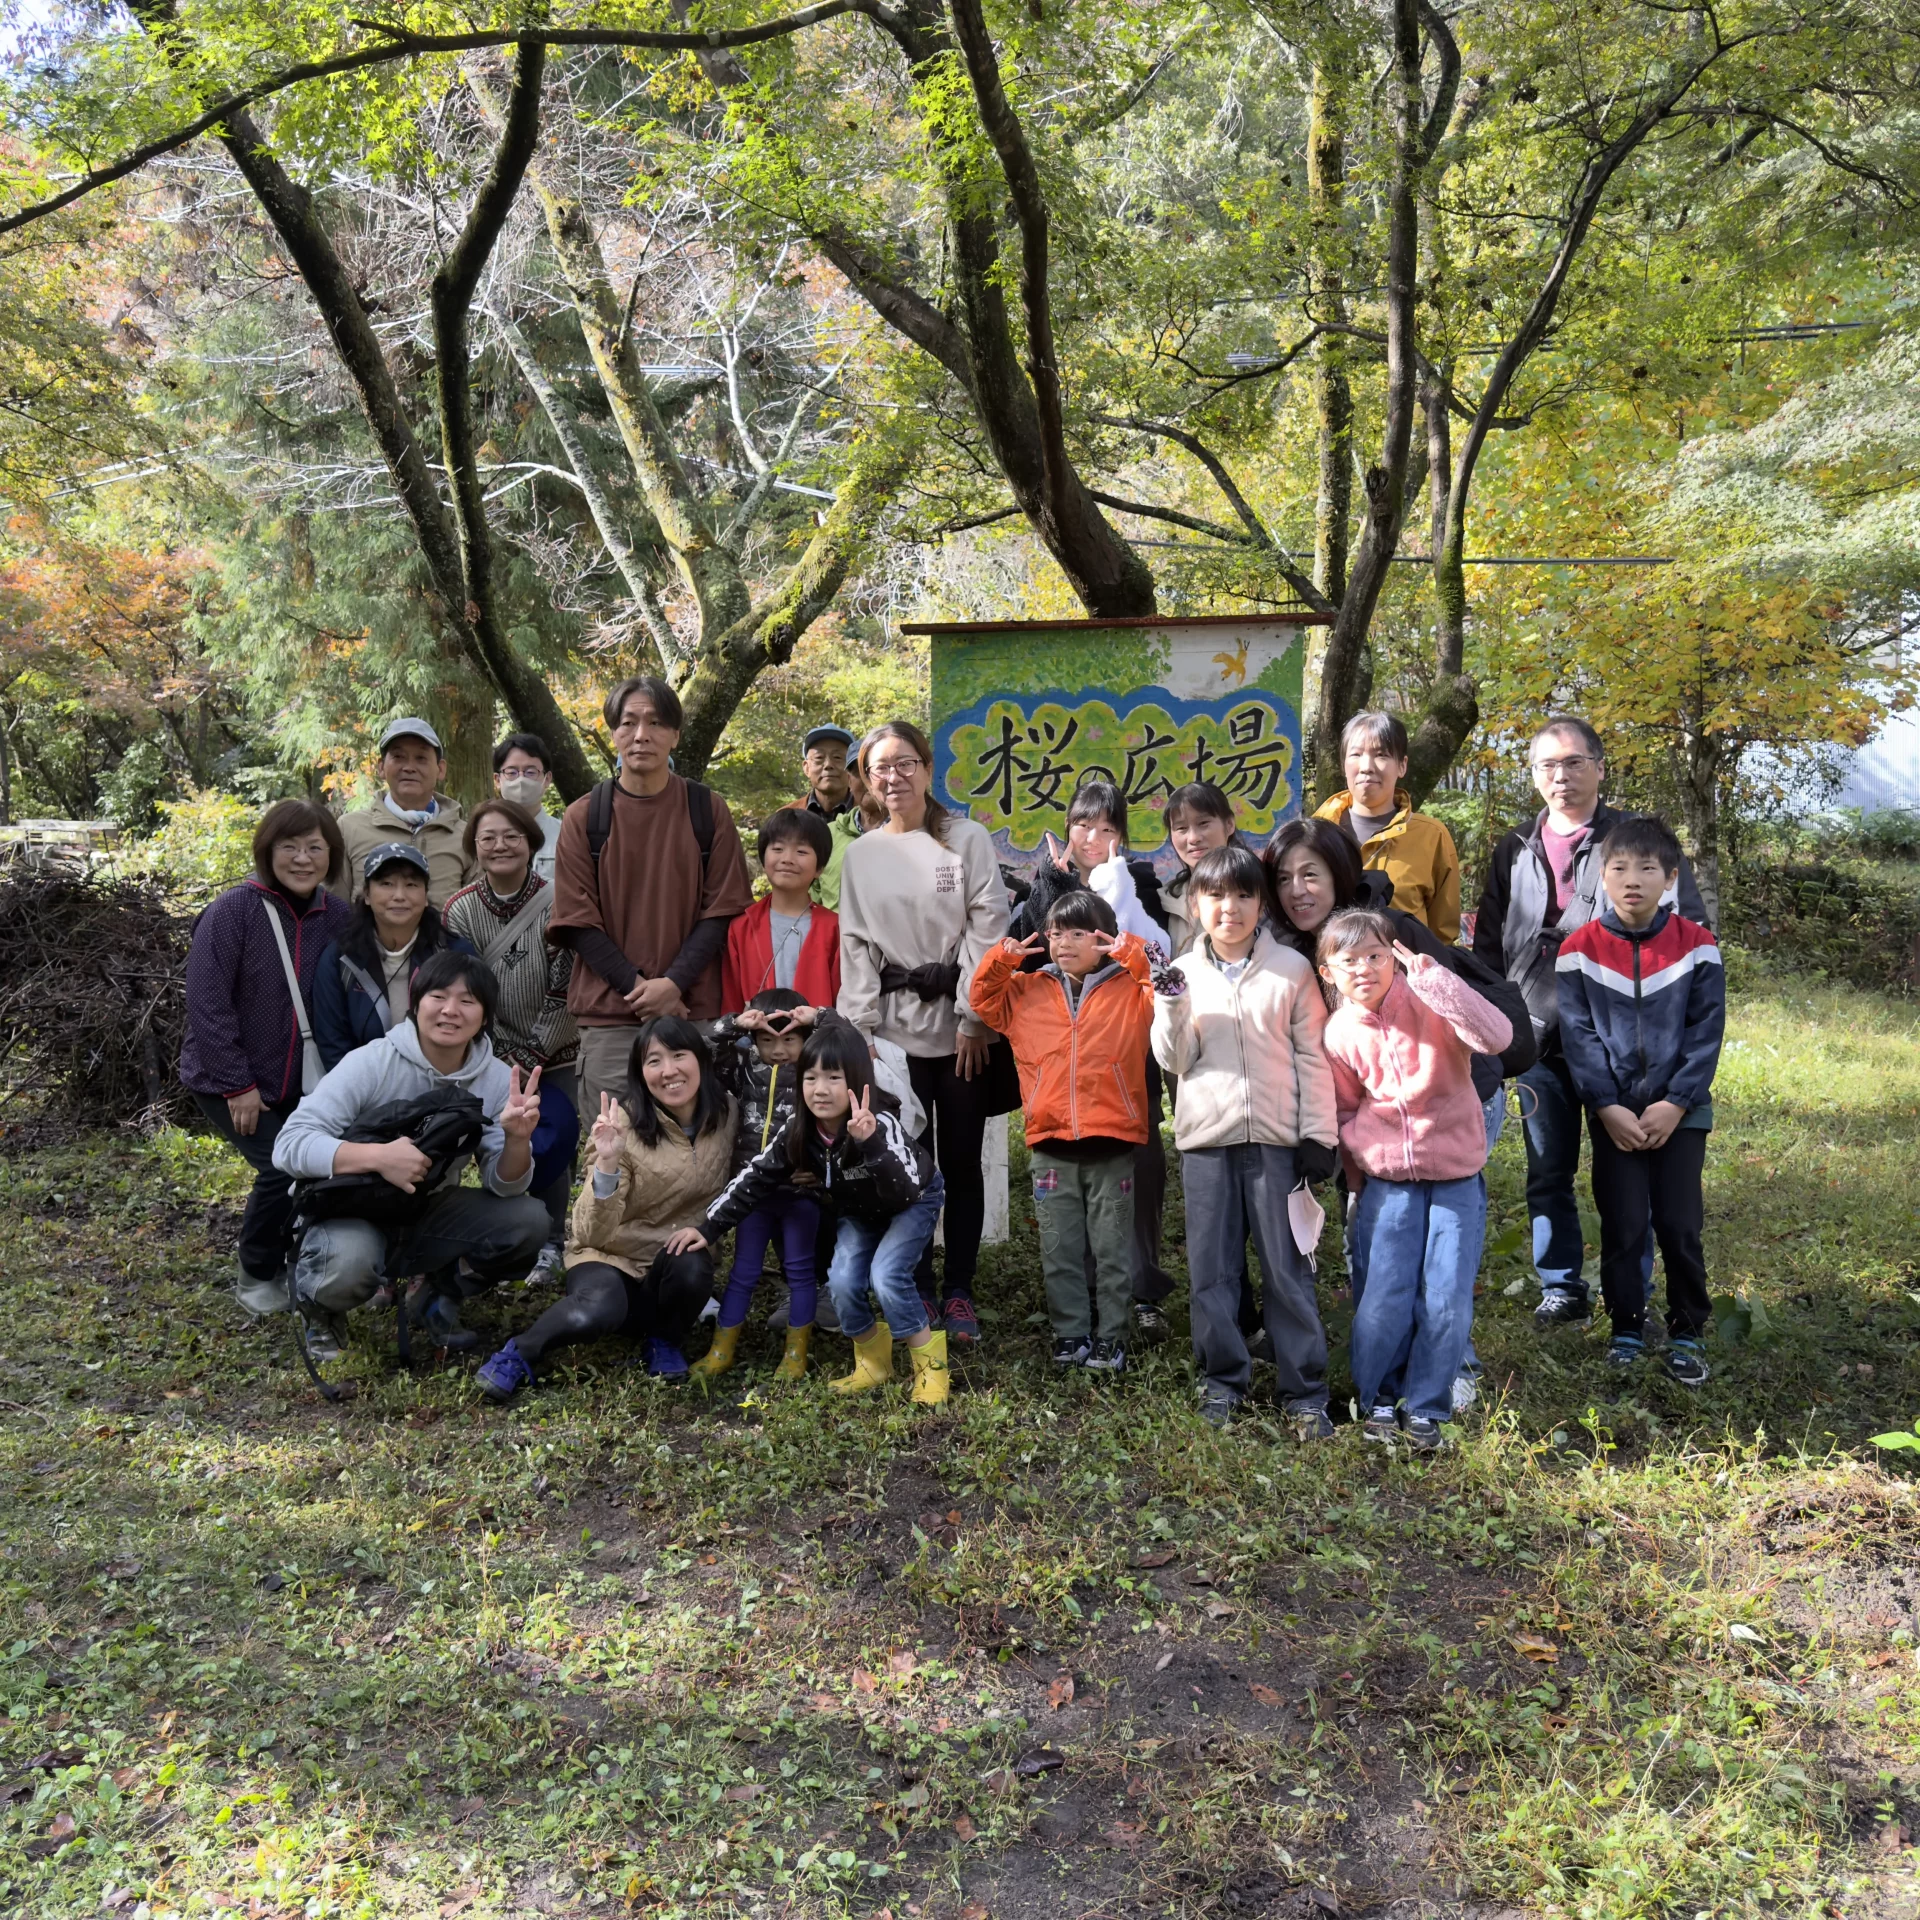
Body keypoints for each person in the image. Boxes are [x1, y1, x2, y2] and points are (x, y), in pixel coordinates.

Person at [1473, 715, 1708, 1329]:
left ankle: (1631, 1291)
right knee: (1547, 1167)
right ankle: (1561, 1284)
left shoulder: (1632, 842)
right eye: (1547, 766)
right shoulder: (1513, 847)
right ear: (1532, 776)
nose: (1561, 776)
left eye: (1574, 762)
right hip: (1537, 1040)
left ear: (1600, 768)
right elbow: (1490, 950)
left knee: (1631, 1170)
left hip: (1620, 1042)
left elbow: (1686, 935)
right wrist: (1499, 1030)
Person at [271, 950, 550, 1360]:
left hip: (426, 1208)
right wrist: (379, 1157)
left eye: (468, 1001)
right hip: (352, 1208)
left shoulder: (493, 1078)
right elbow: (290, 1144)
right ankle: (322, 1309)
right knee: (345, 1264)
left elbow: (504, 1186)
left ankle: (438, 1294)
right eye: (438, 997)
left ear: (485, 1017)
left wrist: (516, 1141)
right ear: (415, 1003)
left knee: (528, 1221)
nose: (450, 1011)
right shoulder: (372, 1062)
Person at [1150, 844, 1340, 1434]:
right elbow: (1174, 1059)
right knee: (1213, 1269)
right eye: (1214, 895)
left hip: (1279, 1144)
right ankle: (1222, 1382)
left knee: (1286, 1267)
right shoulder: (1182, 972)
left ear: (1261, 902)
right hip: (1207, 1142)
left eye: (1243, 894)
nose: (1228, 907)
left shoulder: (1291, 969)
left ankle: (1305, 1390)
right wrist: (1171, 1004)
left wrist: (1319, 1134)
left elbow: (1313, 1055)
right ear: (1195, 902)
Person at [836, 719, 1009, 1345]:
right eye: (880, 766)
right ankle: (919, 1285)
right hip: (894, 1038)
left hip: (962, 1035)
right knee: (906, 1163)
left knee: (961, 1161)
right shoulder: (861, 854)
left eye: (904, 762)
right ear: (867, 778)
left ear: (928, 769)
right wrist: (860, 1037)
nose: (894, 776)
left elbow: (987, 928)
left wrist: (973, 1015)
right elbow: (855, 946)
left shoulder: (967, 839)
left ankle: (959, 1289)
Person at [668, 1022, 951, 1404]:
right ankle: (873, 1362)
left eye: (834, 1077)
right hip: (859, 1209)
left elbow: (903, 1187)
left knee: (886, 1275)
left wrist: (870, 1146)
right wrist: (709, 1227)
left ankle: (931, 1370)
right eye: (811, 1077)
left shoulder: (881, 1123)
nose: (820, 1089)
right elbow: (755, 1177)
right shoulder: (799, 1129)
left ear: (857, 1081)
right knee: (842, 1281)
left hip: (912, 1201)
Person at [1317, 910, 1513, 1450]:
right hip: (1387, 1183)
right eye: (1349, 960)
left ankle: (1428, 1405)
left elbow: (1497, 1036)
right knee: (1382, 1296)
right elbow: (1340, 1111)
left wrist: (1438, 980)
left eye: (1376, 955)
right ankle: (1379, 1398)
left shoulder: (1431, 999)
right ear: (1328, 972)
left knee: (1446, 1295)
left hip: (1455, 1175)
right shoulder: (1338, 1033)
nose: (1365, 969)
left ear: (1394, 957)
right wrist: (1357, 1180)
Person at [474, 1017, 740, 1400]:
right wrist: (608, 1164)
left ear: (700, 1059)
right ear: (640, 1073)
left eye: (679, 1055)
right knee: (594, 1311)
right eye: (653, 1061)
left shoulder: (727, 1114)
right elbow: (589, 1234)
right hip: (609, 1257)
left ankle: (663, 1340)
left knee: (692, 1260)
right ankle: (520, 1352)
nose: (669, 1071)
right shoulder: (621, 1126)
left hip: (671, 1264)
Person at [1555, 815, 1725, 1387]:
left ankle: (1686, 1332)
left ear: (1670, 877)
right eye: (1620, 868)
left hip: (1683, 1112)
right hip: (1615, 1115)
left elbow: (1706, 1032)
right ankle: (1626, 1328)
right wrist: (1606, 1106)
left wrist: (1677, 1102)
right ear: (1602, 876)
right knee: (1624, 1223)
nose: (1633, 880)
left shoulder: (1697, 947)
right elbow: (1578, 1037)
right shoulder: (1578, 950)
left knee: (1679, 1224)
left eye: (1647, 869)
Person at [1004, 779, 1174, 1330]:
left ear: (1122, 834)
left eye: (1106, 827)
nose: (1093, 836)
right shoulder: (1046, 881)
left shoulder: (1141, 882)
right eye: (1083, 823)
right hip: (1064, 1065)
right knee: (1071, 1185)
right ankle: (1079, 1299)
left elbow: (1157, 959)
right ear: (1068, 826)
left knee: (1138, 1171)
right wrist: (1049, 884)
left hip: (1127, 1054)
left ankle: (1141, 1291)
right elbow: (1025, 953)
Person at [549, 675, 754, 1121]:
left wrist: (674, 984)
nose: (642, 735)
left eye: (657, 723)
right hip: (611, 1018)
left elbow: (723, 910)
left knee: (703, 1150)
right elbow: (578, 920)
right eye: (629, 722)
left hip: (694, 1011)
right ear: (613, 731)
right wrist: (643, 991)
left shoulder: (707, 810)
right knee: (614, 1153)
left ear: (675, 734)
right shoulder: (585, 816)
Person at [180, 799, 353, 1318]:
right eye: (289, 847)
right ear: (267, 851)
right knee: (282, 1165)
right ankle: (257, 1274)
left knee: (318, 1169)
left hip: (308, 1079)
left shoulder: (338, 916)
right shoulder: (233, 910)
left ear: (331, 855)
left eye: (315, 848)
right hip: (226, 1078)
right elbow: (207, 1004)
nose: (303, 858)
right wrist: (237, 1084)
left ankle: (306, 1258)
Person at [972, 893, 1157, 1374]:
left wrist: (1129, 951)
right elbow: (980, 1000)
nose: (1063, 943)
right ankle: (1070, 1332)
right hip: (1050, 1140)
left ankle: (1111, 1336)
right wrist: (1003, 958)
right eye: (1056, 933)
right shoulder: (1025, 990)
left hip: (1112, 1139)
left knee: (1112, 1248)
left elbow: (1166, 990)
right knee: (1058, 1247)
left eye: (1078, 933)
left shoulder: (1131, 990)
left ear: (1103, 938)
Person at [444, 798, 579, 1282]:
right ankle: (480, 1238)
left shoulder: (561, 902)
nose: (500, 845)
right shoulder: (459, 911)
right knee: (481, 1139)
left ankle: (552, 1242)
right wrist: (496, 1055)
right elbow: (462, 988)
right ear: (474, 848)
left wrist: (532, 1054)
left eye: (511, 836)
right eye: (488, 838)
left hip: (555, 1051)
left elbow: (566, 985)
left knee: (554, 1138)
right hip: (484, 1054)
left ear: (531, 843)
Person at [692, 992, 853, 1380]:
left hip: (800, 1192)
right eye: (767, 1041)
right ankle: (721, 1350)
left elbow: (847, 1041)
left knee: (799, 1273)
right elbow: (701, 1049)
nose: (778, 1050)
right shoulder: (743, 1068)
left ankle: (795, 1355)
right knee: (742, 1272)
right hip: (753, 1194)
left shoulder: (814, 1074)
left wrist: (819, 1017)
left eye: (789, 1040)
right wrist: (736, 1023)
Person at [312, 844, 475, 1070]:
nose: (399, 896)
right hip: (363, 1087)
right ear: (367, 895)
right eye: (386, 884)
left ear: (426, 896)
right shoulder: (341, 958)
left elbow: (473, 1028)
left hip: (441, 1084)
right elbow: (332, 1041)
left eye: (411, 885)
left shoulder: (454, 954)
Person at [1313, 711, 1461, 941]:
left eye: (1381, 755)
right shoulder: (1315, 835)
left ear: (1402, 766)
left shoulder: (1432, 837)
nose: (1366, 767)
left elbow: (1443, 933)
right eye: (1356, 754)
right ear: (1343, 765)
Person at [336, 717, 475, 908]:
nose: (409, 767)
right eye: (398, 757)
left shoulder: (465, 835)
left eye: (421, 758)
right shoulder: (349, 828)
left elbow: (477, 913)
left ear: (440, 769)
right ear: (381, 767)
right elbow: (333, 908)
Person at [721, 808, 841, 1012]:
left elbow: (841, 997)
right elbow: (731, 1003)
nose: (787, 858)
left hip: (818, 1040)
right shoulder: (742, 927)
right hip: (756, 1040)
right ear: (763, 857)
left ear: (819, 868)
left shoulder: (834, 927)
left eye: (801, 851)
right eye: (777, 849)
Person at [1161, 782, 1243, 959]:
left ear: (1229, 824)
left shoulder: (1254, 890)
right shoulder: (1163, 900)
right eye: (1181, 828)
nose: (1193, 838)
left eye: (1203, 823)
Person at [797, 724, 863, 912]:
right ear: (806, 767)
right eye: (819, 758)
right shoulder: (788, 817)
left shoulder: (869, 816)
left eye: (837, 758)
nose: (828, 765)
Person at [493, 732, 563, 882]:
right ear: (497, 780)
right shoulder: (484, 838)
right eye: (511, 772)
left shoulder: (565, 835)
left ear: (547, 779)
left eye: (530, 772)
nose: (521, 780)